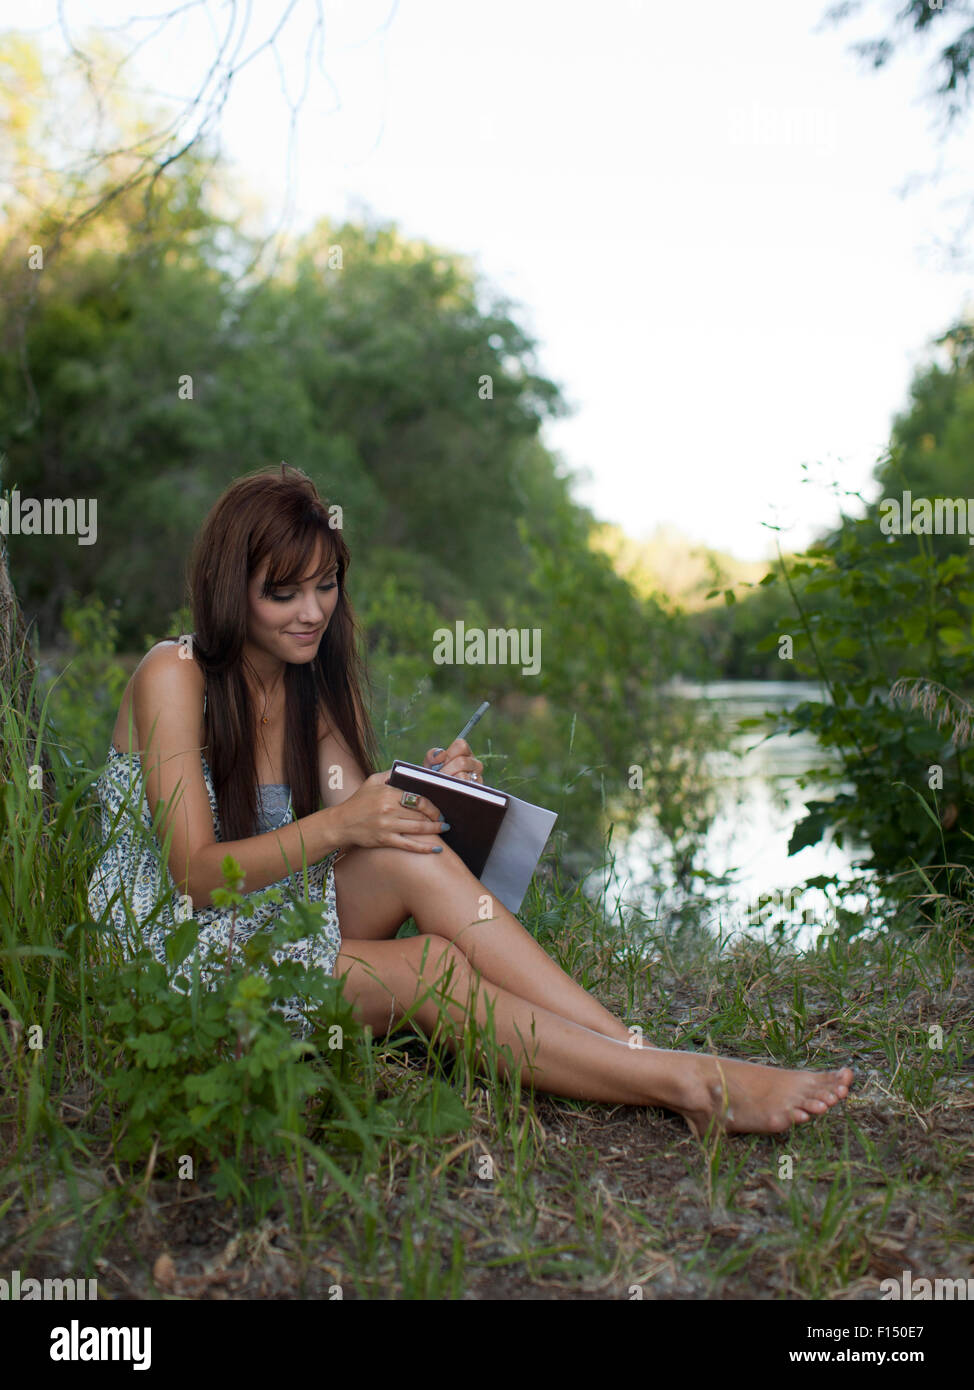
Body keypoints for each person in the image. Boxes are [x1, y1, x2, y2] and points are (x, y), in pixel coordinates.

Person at [87, 465, 855, 1138]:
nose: (313, 612)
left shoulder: (306, 687)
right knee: (428, 970)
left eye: (325, 586)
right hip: (173, 950)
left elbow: (359, 834)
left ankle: (644, 1055)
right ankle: (685, 1084)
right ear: (233, 591)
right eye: (282, 593)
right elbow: (192, 874)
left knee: (407, 850)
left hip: (265, 917)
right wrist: (340, 823)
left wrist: (434, 794)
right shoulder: (174, 675)